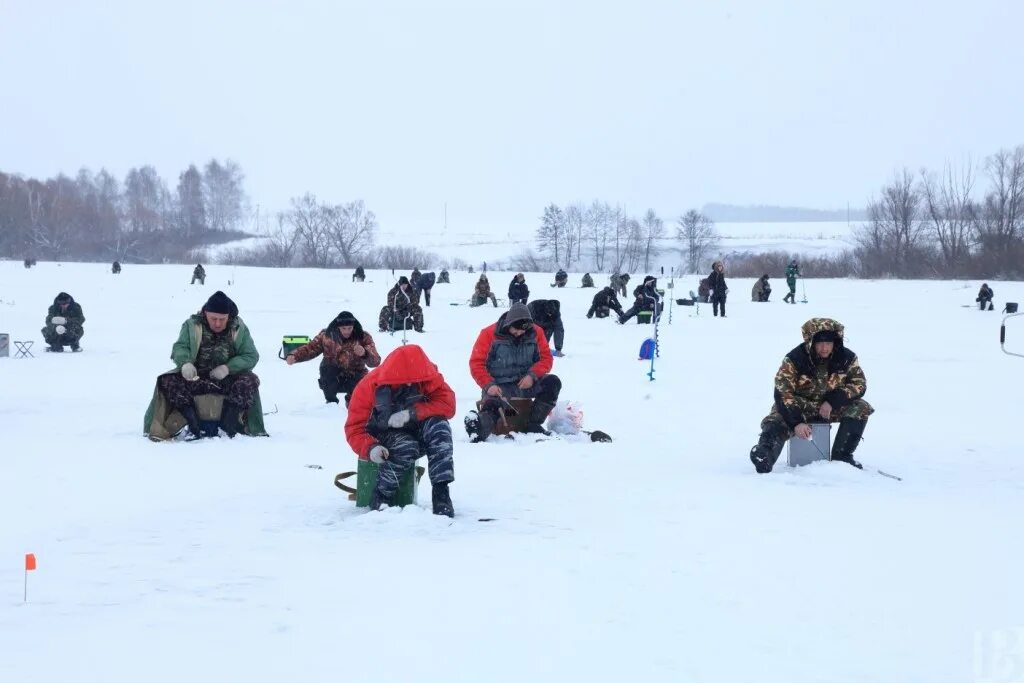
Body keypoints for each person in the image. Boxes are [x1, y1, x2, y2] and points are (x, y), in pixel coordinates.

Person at [749, 318, 873, 473]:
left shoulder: (846, 357)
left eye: (828, 343)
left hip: (828, 408)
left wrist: (833, 401)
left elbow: (859, 384)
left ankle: (842, 457)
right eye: (820, 343)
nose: (824, 348)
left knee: (861, 407)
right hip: (800, 405)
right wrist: (796, 422)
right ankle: (765, 454)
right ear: (811, 342)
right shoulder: (795, 358)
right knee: (777, 418)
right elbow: (782, 392)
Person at [345, 344, 456, 515]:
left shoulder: (428, 378)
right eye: (405, 379)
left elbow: (448, 405)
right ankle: (381, 496)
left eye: (414, 379)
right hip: (383, 438)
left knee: (440, 428)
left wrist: (412, 413)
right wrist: (371, 448)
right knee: (406, 446)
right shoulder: (368, 387)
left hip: (417, 430)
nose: (411, 383)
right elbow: (354, 429)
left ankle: (441, 493)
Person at [143, 290, 266, 440]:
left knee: (250, 379)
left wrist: (228, 368)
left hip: (226, 380)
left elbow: (251, 356)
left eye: (223, 319)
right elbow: (179, 347)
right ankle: (191, 422)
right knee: (167, 380)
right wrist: (185, 363)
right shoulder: (192, 325)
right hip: (195, 378)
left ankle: (229, 423)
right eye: (214, 318)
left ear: (229, 316)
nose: (218, 323)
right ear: (205, 313)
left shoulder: (238, 328)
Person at [467, 303, 561, 441]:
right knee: (497, 409)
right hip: (499, 387)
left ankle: (533, 423)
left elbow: (546, 359)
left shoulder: (536, 332)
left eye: (522, 331)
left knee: (552, 383)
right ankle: (478, 428)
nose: (519, 333)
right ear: (507, 324)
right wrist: (488, 385)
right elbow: (476, 364)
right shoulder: (488, 334)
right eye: (515, 330)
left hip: (526, 384)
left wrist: (532, 375)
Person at [286, 311, 380, 406]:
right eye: (343, 328)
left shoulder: (363, 337)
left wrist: (365, 353)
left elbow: (376, 361)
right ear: (338, 326)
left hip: (356, 374)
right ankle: (331, 404)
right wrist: (295, 356)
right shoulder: (326, 336)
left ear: (354, 326)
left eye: (349, 328)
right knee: (326, 367)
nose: (347, 331)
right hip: (333, 376)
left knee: (358, 402)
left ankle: (353, 403)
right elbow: (311, 348)